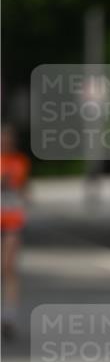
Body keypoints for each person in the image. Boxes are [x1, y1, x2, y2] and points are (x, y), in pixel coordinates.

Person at [1, 125, 30, 340]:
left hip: (12, 220)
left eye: (7, 140)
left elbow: (24, 189)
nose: (4, 143)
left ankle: (9, 316)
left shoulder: (20, 162)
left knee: (9, 267)